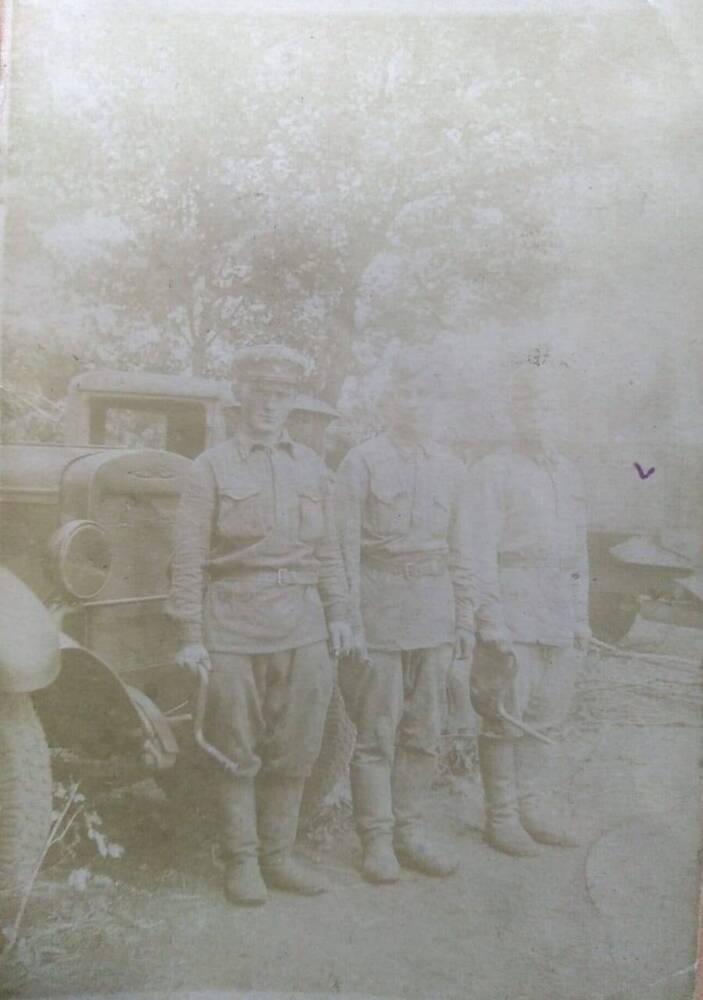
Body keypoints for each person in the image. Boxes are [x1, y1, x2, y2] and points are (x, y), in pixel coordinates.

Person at [167, 344, 353, 906]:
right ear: (241, 396)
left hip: (303, 625)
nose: (270, 406)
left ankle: (280, 856)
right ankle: (243, 861)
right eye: (260, 394)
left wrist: (340, 612)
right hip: (233, 627)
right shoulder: (212, 467)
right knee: (235, 747)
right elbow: (188, 557)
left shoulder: (310, 467)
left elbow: (328, 552)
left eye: (281, 396)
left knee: (296, 747)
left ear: (290, 402)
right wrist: (191, 637)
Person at [334, 350, 474, 884]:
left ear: (435, 405)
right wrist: (348, 617)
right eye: (404, 396)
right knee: (376, 732)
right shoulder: (362, 462)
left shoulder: (451, 468)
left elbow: (461, 550)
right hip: (380, 609)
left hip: (435, 612)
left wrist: (464, 620)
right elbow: (343, 549)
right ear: (387, 403)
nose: (413, 406)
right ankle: (376, 840)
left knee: (424, 732)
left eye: (424, 396)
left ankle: (410, 830)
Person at [468, 364, 591, 857]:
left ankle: (533, 809)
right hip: (513, 607)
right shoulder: (492, 471)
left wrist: (581, 616)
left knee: (546, 715)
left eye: (549, 407)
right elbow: (477, 551)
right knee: (504, 714)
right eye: (529, 406)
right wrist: (489, 618)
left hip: (558, 610)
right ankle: (501, 817)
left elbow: (579, 552)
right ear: (514, 413)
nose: (539, 417)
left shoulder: (568, 472)